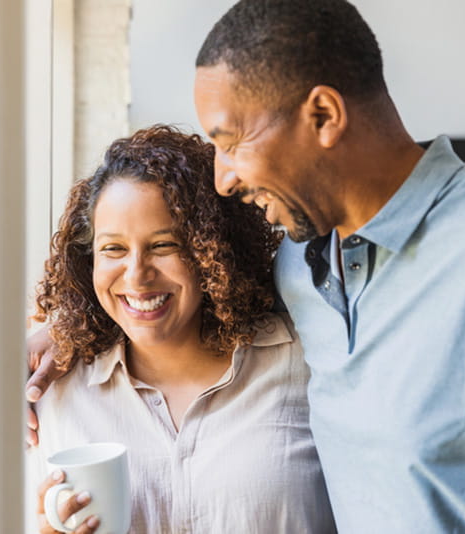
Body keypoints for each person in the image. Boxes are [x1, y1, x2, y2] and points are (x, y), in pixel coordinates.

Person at [28, 1, 465, 532]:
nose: (222, 180)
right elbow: (169, 302)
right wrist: (60, 330)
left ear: (323, 116)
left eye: (230, 143)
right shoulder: (301, 268)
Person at [26, 125, 336, 533]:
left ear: (211, 251)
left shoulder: (306, 363)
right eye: (113, 249)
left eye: (164, 245)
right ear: (89, 260)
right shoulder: (55, 393)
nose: (137, 276)